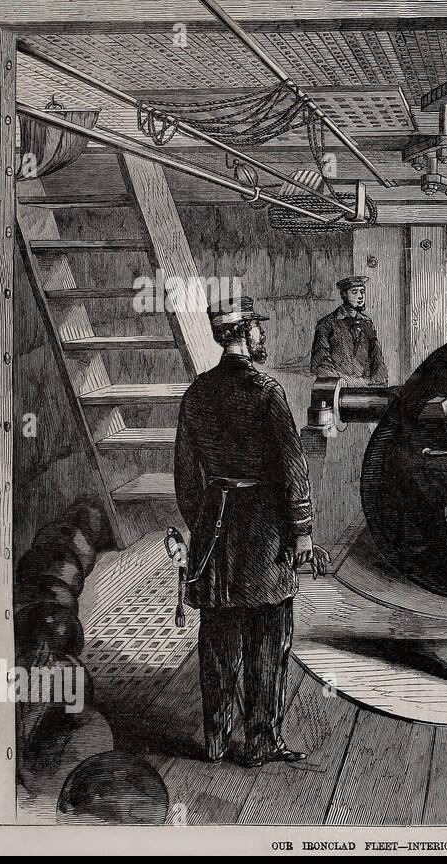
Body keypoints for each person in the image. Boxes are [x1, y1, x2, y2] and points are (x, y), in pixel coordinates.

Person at [174, 296, 328, 767]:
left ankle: (215, 741)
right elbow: (292, 465)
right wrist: (301, 532)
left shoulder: (197, 393)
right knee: (267, 640)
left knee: (218, 639)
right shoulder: (267, 392)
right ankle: (260, 743)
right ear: (244, 334)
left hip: (215, 533)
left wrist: (204, 521)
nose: (263, 336)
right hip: (264, 532)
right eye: (258, 329)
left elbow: (185, 475)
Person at [310, 275, 389, 384]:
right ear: (343, 295)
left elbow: (378, 361)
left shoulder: (367, 323)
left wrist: (377, 384)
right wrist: (354, 383)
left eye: (362, 291)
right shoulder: (327, 324)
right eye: (354, 292)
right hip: (338, 390)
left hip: (366, 392)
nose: (360, 296)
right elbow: (320, 366)